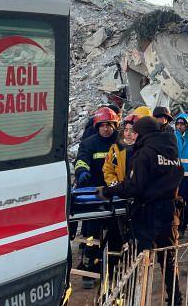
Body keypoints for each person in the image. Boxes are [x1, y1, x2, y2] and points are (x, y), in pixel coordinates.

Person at [97, 116, 184, 305]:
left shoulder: (144, 153)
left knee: (141, 260)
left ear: (143, 132)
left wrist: (108, 191)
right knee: (169, 259)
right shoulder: (172, 151)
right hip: (170, 212)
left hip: (148, 213)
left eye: (135, 132)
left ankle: (138, 299)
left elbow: (134, 186)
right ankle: (176, 300)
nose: (132, 135)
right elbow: (179, 175)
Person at [74, 107, 120, 288]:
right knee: (91, 237)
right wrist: (82, 171)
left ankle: (112, 270)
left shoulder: (121, 143)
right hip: (94, 197)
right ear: (97, 126)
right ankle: (88, 273)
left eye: (109, 125)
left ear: (115, 125)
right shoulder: (89, 143)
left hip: (116, 196)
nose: (106, 128)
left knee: (115, 237)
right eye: (102, 125)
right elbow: (81, 159)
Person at [103, 113, 140, 187]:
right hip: (121, 193)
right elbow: (108, 170)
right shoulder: (115, 149)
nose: (128, 134)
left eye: (132, 131)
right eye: (126, 130)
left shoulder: (144, 148)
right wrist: (115, 186)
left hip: (140, 192)